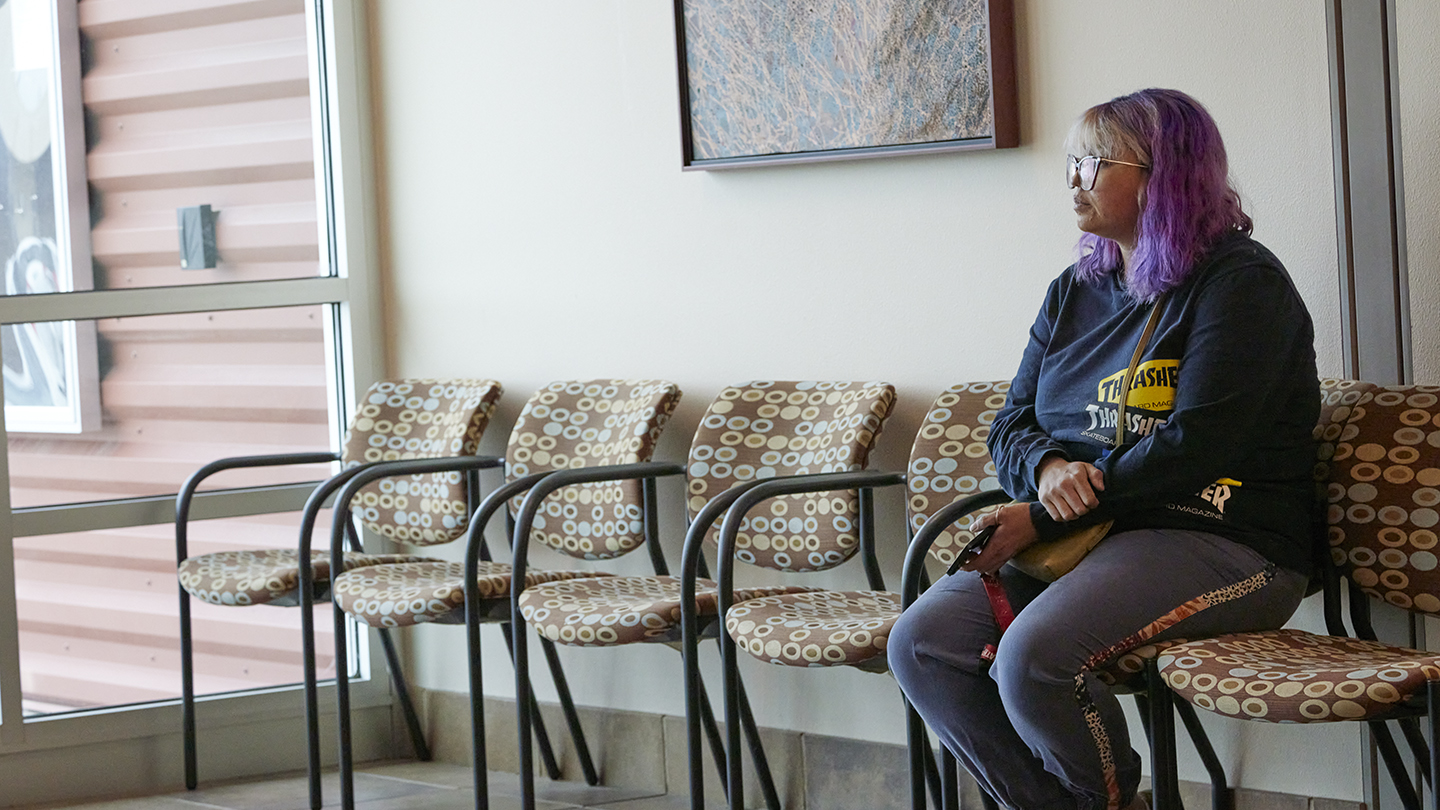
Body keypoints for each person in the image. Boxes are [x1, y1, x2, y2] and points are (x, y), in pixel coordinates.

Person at [888, 88, 1320, 810]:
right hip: (1095, 537)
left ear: (1166, 174)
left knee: (1034, 658)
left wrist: (1047, 516)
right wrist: (1049, 472)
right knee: (923, 643)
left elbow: (1200, 444)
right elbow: (1011, 423)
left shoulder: (1242, 284)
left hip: (1224, 536)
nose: (1073, 180)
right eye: (1072, 161)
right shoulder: (1075, 291)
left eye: (1094, 162)